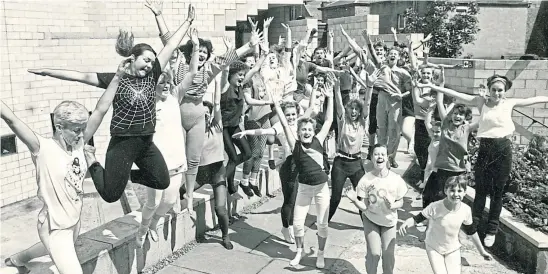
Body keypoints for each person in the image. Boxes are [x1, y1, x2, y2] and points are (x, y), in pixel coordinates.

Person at [1, 57, 132, 274]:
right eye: (76, 129)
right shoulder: (41, 148)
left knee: (49, 249)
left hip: (73, 221)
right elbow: (12, 119)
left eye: (83, 128)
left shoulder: (78, 145)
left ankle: (18, 259)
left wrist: (117, 77)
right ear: (59, 127)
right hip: (53, 227)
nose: (82, 134)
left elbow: (100, 110)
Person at [147, 0, 259, 209]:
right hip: (178, 114)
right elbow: (169, 41)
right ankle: (164, 194)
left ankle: (189, 195)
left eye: (206, 55)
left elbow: (228, 58)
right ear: (191, 53)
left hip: (197, 115)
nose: (202, 57)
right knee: (173, 158)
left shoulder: (208, 70)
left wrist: (249, 46)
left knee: (193, 159)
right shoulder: (180, 64)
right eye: (199, 53)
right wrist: (159, 16)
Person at [423, 74, 548, 246]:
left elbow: (533, 99)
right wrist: (436, 87)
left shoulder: (509, 103)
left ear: (505, 92)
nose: (497, 93)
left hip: (503, 149)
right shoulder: (481, 102)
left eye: (500, 91)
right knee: (481, 191)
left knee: (497, 192)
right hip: (485, 149)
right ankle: (471, 229)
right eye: (494, 90)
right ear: (489, 90)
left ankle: (491, 230)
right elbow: (458, 95)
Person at [269, 75, 334, 269]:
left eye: (309, 129)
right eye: (303, 129)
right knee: (298, 224)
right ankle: (299, 252)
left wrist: (329, 97)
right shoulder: (294, 143)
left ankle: (320, 255)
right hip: (304, 190)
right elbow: (282, 120)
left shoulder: (319, 140)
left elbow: (329, 119)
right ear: (298, 132)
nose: (306, 132)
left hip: (321, 188)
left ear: (313, 131)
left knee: (322, 224)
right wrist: (277, 105)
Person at [232, 100, 302, 244]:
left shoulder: (301, 124)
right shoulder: (280, 126)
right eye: (287, 114)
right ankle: (286, 227)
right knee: (290, 200)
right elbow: (264, 131)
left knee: (298, 200)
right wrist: (246, 132)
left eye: (293, 114)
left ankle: (291, 226)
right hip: (289, 167)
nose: (291, 117)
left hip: (301, 166)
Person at [133, 69, 188, 248]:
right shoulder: (146, 104)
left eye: (167, 82)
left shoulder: (174, 98)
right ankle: (143, 228)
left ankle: (154, 224)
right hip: (156, 162)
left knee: (170, 200)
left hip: (176, 160)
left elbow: (193, 73)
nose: (165, 86)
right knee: (153, 202)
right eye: (160, 83)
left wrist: (195, 48)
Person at [180, 75, 233, 250]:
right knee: (180, 192)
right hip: (200, 175)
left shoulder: (217, 127)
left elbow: (217, 104)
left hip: (218, 174)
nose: (206, 116)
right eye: (202, 115)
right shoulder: (193, 133)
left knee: (220, 209)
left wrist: (218, 81)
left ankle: (225, 237)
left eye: (208, 114)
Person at [399, 175, 493, 274]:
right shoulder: (435, 207)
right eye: (452, 190)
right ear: (445, 191)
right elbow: (416, 219)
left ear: (465, 192)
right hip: (434, 247)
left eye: (460, 191)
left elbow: (472, 232)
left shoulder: (466, 210)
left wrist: (482, 252)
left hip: (453, 248)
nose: (456, 194)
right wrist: (406, 223)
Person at [346, 144, 408, 274]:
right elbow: (364, 207)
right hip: (371, 219)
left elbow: (401, 202)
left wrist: (393, 205)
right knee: (374, 254)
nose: (379, 157)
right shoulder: (365, 180)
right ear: (371, 158)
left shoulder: (396, 179)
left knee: (388, 255)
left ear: (387, 158)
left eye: (382, 154)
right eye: (376, 154)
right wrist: (354, 200)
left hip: (389, 222)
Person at [328, 82, 367, 222]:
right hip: (341, 163)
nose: (354, 111)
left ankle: (367, 225)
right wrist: (337, 88)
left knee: (362, 197)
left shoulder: (362, 123)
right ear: (348, 109)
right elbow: (339, 104)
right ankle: (324, 223)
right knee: (336, 197)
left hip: (356, 163)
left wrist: (370, 87)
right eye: (352, 108)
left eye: (357, 109)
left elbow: (367, 104)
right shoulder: (343, 121)